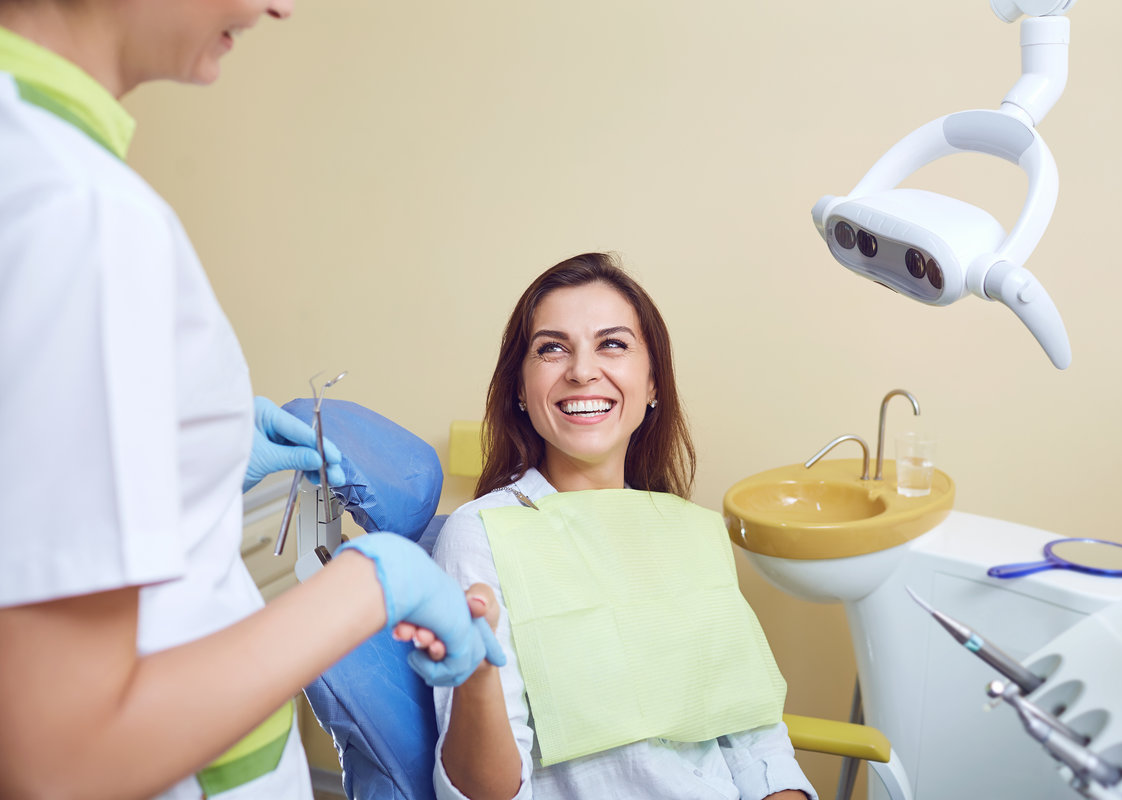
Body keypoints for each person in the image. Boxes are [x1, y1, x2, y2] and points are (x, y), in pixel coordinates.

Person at [0, 2, 500, 798]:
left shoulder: (34, 163)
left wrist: (197, 459)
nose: (278, 5)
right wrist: (373, 582)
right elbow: (60, 762)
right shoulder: (83, 212)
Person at [431, 252, 817, 800]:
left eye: (612, 343)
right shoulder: (483, 536)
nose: (582, 370)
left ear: (653, 382)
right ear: (520, 386)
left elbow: (757, 743)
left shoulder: (686, 530)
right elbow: (487, 794)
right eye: (552, 348)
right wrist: (475, 673)